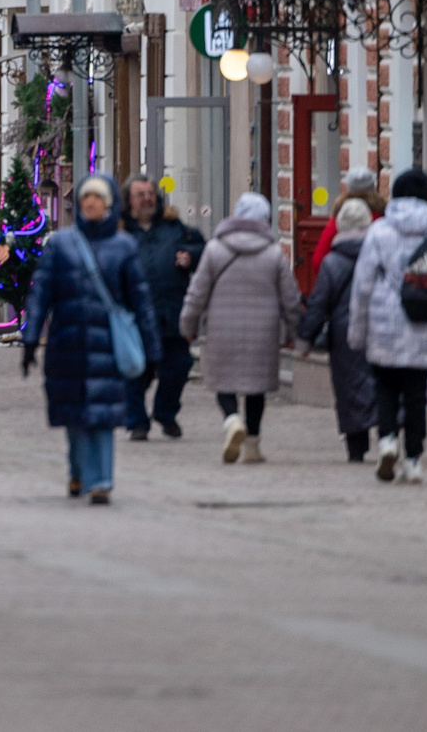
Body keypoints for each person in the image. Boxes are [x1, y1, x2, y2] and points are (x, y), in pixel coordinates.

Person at [20, 176, 159, 505]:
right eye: (87, 197)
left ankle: (101, 482)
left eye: (98, 197)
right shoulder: (61, 244)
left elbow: (140, 300)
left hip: (107, 343)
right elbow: (41, 294)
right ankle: (78, 471)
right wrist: (30, 338)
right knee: (74, 415)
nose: (91, 202)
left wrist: (152, 348)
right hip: (66, 343)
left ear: (109, 203)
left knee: (103, 415)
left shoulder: (123, 246)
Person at [346, 167, 427, 485]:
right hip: (423, 326)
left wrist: (356, 333)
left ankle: (387, 440)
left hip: (383, 327)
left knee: (385, 389)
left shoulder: (379, 231)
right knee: (415, 396)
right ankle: (413, 459)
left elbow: (362, 286)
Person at [178, 191, 300, 463]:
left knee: (224, 382)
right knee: (256, 388)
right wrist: (294, 333)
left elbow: (197, 293)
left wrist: (188, 326)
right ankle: (253, 447)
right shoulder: (273, 253)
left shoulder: (215, 249)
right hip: (263, 331)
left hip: (222, 328)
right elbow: (290, 298)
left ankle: (232, 420)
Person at [295, 197, 379, 461]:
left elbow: (318, 303)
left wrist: (305, 338)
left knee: (349, 388)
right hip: (378, 325)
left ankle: (356, 448)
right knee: (382, 381)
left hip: (344, 334)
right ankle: (388, 436)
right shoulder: (380, 254)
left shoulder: (331, 262)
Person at [119, 176, 203, 439]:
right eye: (140, 194)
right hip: (134, 316)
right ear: (129, 200)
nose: (147, 198)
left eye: (150, 193)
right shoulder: (120, 233)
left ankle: (165, 413)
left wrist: (190, 256)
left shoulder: (173, 226)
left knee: (179, 366)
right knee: (136, 372)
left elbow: (200, 247)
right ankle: (137, 423)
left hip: (171, 311)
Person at [311, 166, 383, 276]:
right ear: (373, 187)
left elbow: (318, 261)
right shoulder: (382, 219)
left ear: (348, 188)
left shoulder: (339, 221)